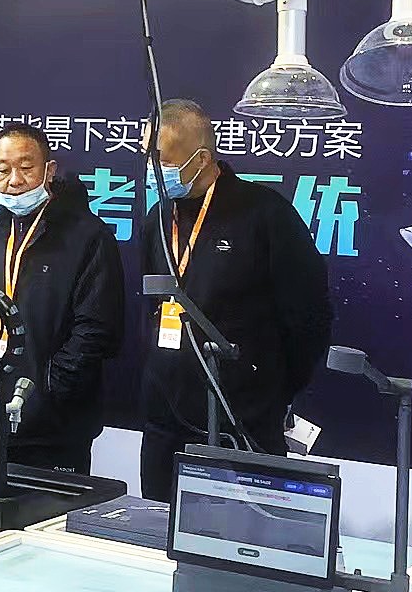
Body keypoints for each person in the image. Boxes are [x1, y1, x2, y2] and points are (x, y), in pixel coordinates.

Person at [137, 99, 333, 502]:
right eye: (146, 157)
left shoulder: (265, 214)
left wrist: (268, 389)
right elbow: (151, 307)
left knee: (242, 532)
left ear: (201, 159)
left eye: (162, 161)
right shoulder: (157, 218)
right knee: (158, 525)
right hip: (165, 416)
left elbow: (308, 317)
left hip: (242, 417)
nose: (152, 170)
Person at [0, 123, 126, 474]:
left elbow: (97, 328)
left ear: (49, 170)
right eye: (3, 170)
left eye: (26, 167)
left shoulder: (87, 235)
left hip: (56, 425)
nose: (14, 180)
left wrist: (51, 388)